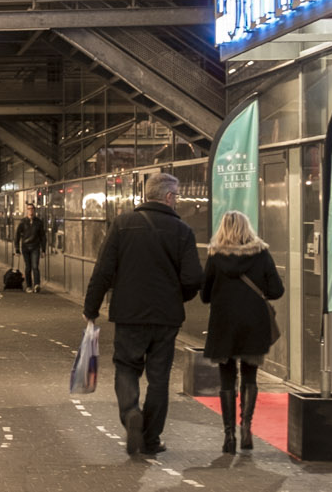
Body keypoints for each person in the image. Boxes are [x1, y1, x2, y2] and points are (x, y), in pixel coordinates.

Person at [83, 173, 203, 457]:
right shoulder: (183, 231)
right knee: (159, 378)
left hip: (129, 313)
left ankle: (130, 412)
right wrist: (178, 297)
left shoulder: (123, 225)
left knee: (126, 367)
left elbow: (103, 270)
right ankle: (150, 439)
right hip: (166, 317)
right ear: (170, 197)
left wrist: (91, 308)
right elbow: (193, 278)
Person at [200, 210, 285, 453]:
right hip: (253, 324)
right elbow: (277, 290)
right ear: (247, 228)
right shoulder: (261, 254)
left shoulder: (215, 256)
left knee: (227, 378)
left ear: (223, 230)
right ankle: (246, 427)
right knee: (250, 376)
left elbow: (205, 296)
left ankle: (229, 437)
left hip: (224, 323)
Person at [16, 207, 46, 292]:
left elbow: (43, 236)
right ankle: (29, 286)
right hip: (25, 247)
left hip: (35, 247)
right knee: (28, 267)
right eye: (28, 209)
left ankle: (37, 284)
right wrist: (17, 248)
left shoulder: (38, 222)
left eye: (32, 209)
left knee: (35, 266)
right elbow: (17, 236)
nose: (30, 211)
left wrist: (43, 249)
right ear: (26, 211)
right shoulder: (23, 222)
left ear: (34, 211)